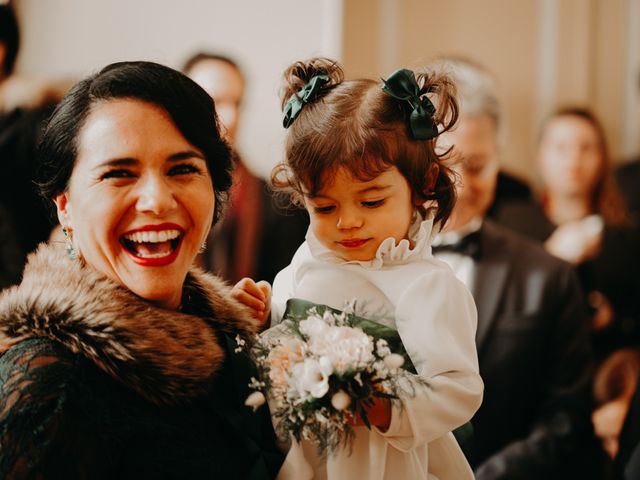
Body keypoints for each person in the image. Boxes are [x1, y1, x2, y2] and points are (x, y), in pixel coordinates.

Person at [0, 61, 284, 479]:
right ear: (65, 207)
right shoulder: (51, 383)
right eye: (118, 173)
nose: (156, 200)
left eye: (183, 169)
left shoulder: (229, 337)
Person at [233, 57, 483, 479]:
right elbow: (281, 358)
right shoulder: (303, 266)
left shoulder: (424, 285)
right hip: (306, 459)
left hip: (384, 462)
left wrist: (387, 405)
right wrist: (261, 322)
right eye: (325, 207)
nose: (347, 222)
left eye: (371, 201)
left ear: (422, 184)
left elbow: (459, 389)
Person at [430, 58, 598, 479]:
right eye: (445, 163)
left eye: (476, 165)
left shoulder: (549, 277)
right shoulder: (367, 264)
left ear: (499, 157)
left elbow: (566, 419)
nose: (460, 186)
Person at [496, 107, 640, 358]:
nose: (574, 160)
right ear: (541, 156)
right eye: (561, 148)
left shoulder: (624, 237)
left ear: (602, 158)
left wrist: (612, 321)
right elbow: (495, 304)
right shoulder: (512, 222)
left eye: (586, 148)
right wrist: (551, 256)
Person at [183, 52, 308, 284]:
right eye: (215, 102)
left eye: (237, 103)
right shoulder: (159, 197)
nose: (230, 117)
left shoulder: (280, 206)